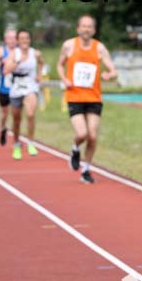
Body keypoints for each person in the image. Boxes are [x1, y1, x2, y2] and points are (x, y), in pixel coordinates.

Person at [56, 15, 118, 184]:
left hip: (94, 98)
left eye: (89, 26)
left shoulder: (99, 48)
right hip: (74, 96)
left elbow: (113, 70)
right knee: (82, 133)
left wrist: (109, 75)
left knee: (92, 136)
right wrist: (64, 79)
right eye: (83, 26)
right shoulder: (69, 45)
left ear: (94, 30)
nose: (86, 29)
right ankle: (75, 149)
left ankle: (86, 170)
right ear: (78, 29)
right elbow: (59, 65)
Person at [4, 30, 44, 159]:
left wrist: (39, 75)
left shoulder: (35, 53)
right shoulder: (13, 54)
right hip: (16, 87)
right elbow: (5, 71)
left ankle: (30, 142)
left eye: (26, 38)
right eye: (21, 38)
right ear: (17, 41)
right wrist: (17, 62)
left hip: (30, 86)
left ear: (29, 40)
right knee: (16, 119)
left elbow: (41, 63)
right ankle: (16, 144)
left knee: (31, 114)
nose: (24, 41)